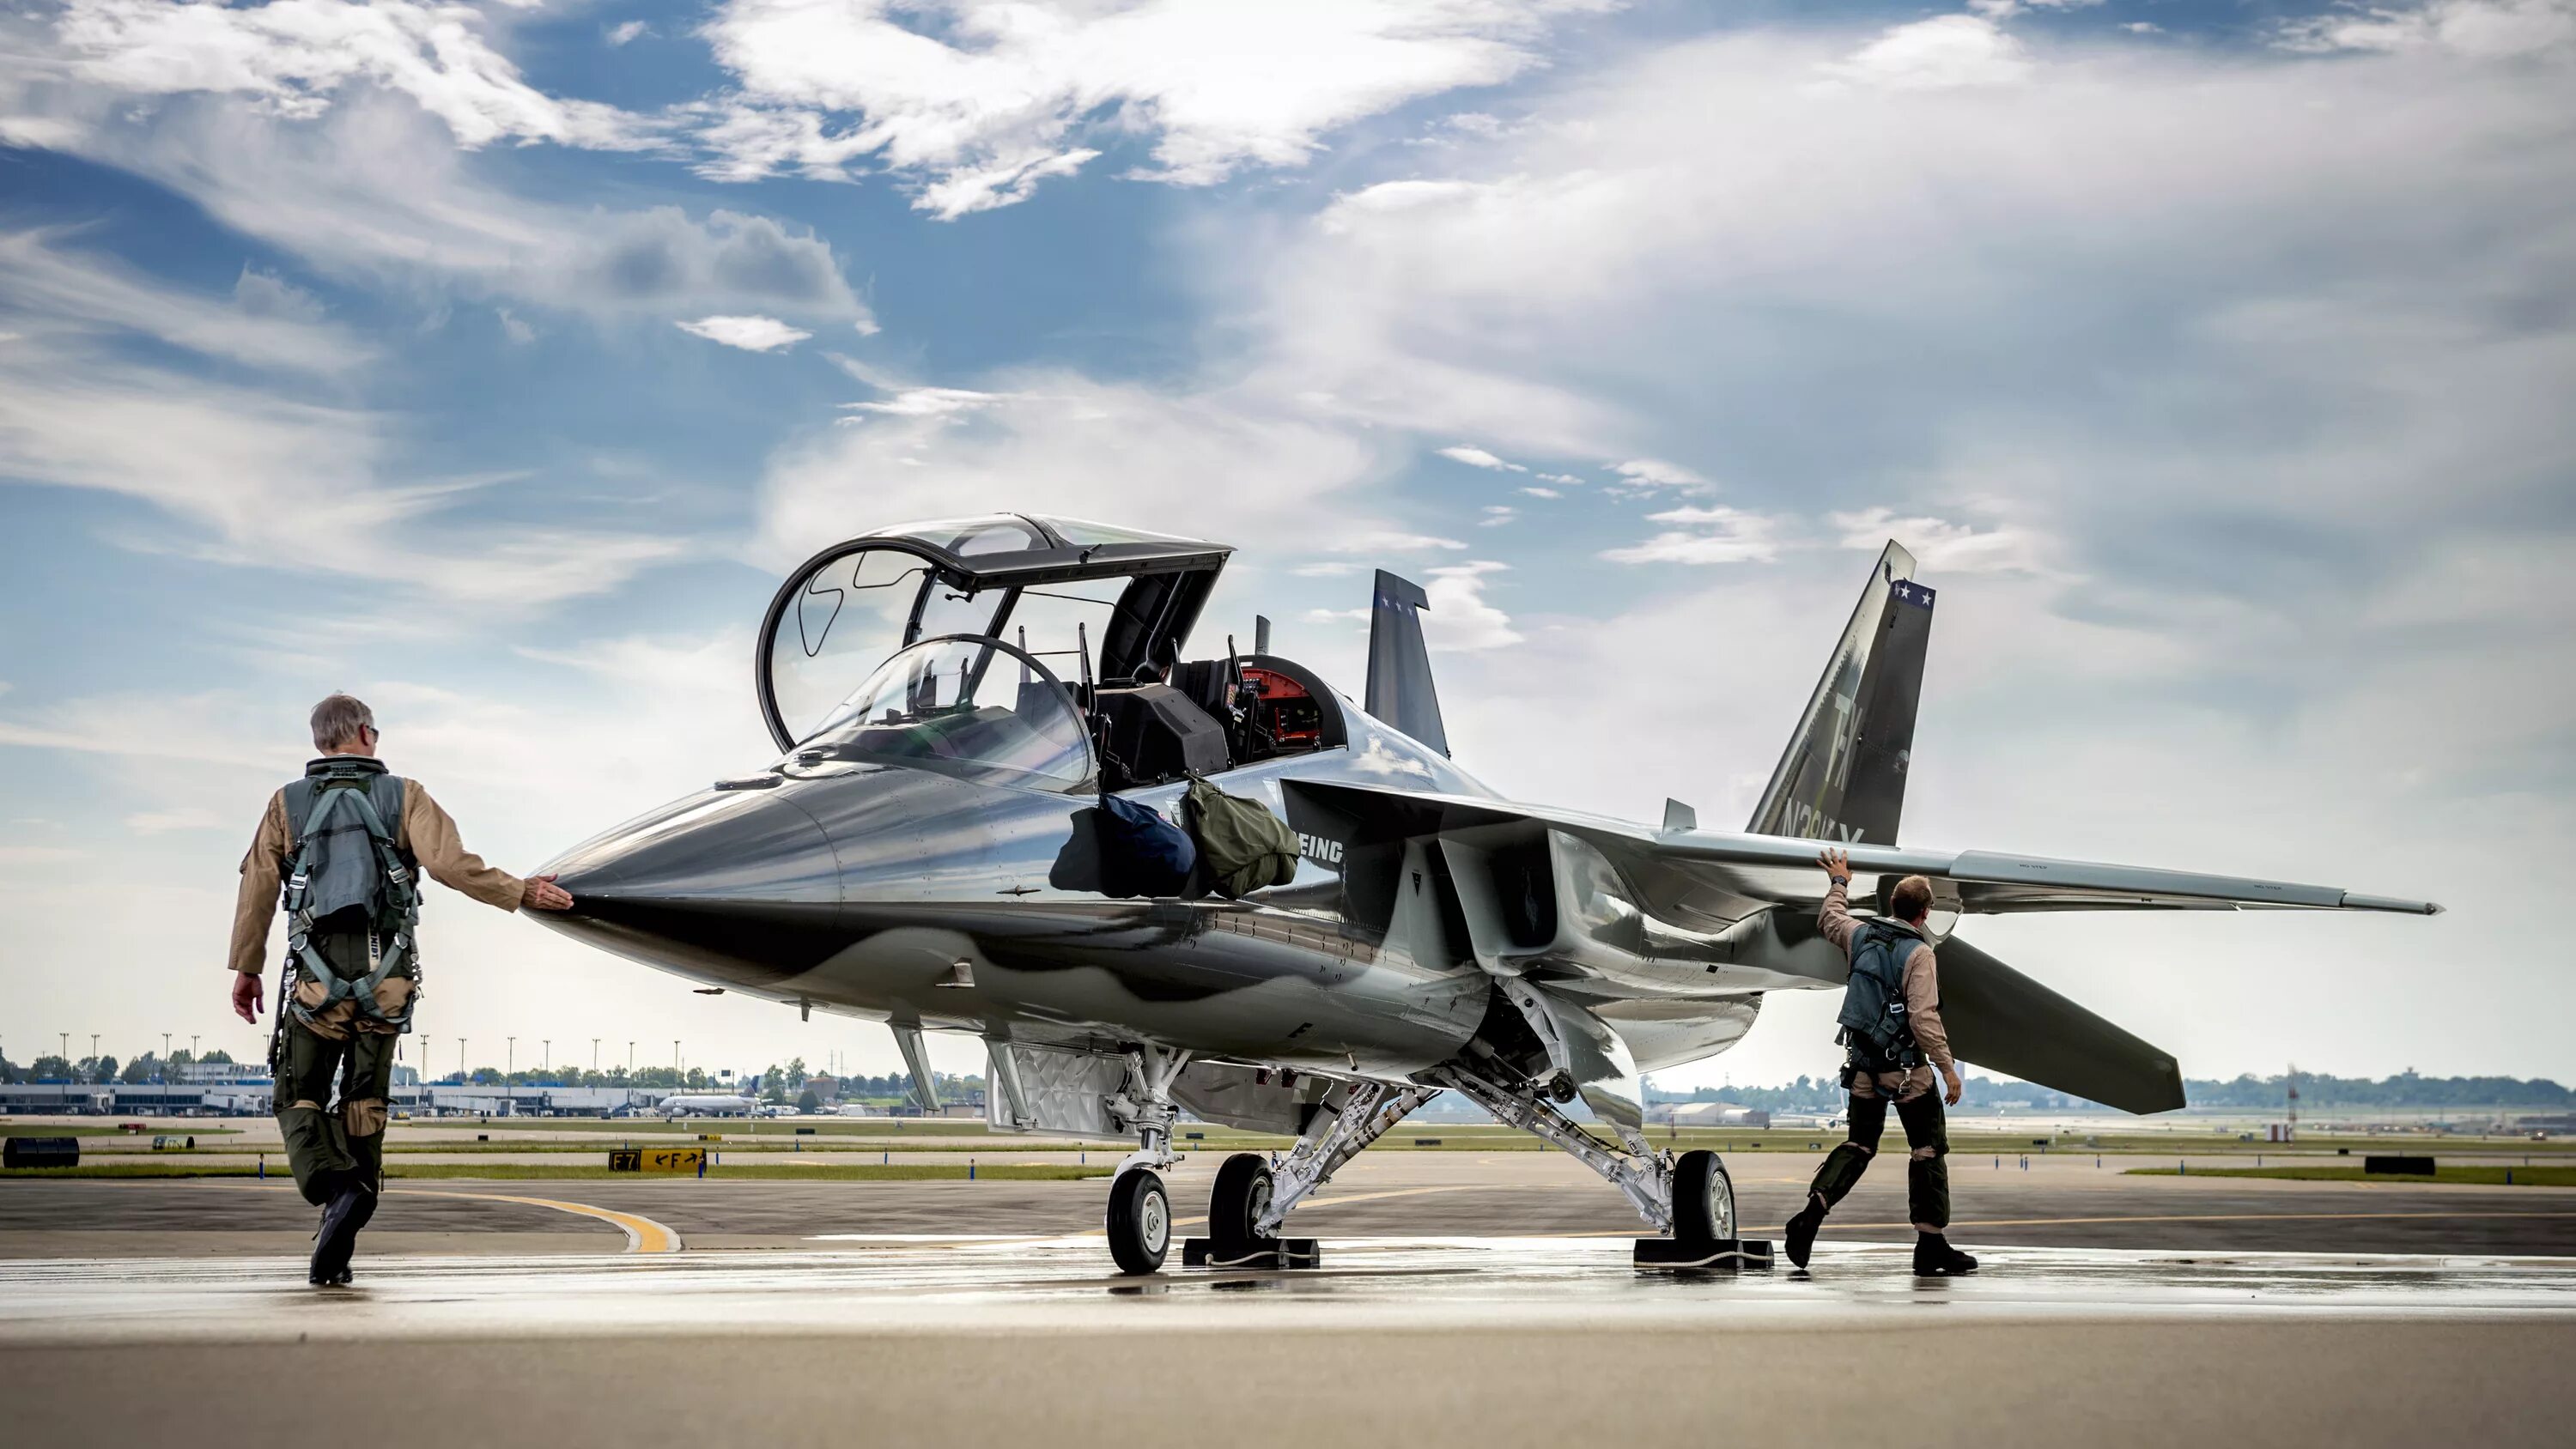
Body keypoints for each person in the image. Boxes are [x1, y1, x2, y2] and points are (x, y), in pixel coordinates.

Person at [228, 693, 573, 1285]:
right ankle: (345, 1230)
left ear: (320, 741)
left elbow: (259, 886)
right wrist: (522, 892)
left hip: (315, 977)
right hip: (387, 974)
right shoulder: (405, 795)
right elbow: (452, 865)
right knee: (365, 1104)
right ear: (365, 735)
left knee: (297, 1096)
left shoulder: (285, 805)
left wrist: (248, 966)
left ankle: (334, 1191)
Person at [1783, 848, 1978, 1276]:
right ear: (1924, 914)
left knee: (1859, 1146)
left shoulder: (1859, 935)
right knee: (1927, 1151)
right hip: (1907, 1071)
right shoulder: (1920, 954)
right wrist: (1947, 1068)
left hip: (1862, 1069)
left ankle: (1811, 1213)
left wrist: (1839, 881)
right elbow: (1923, 1017)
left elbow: (1830, 918)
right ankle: (1931, 1246)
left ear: (1891, 906)